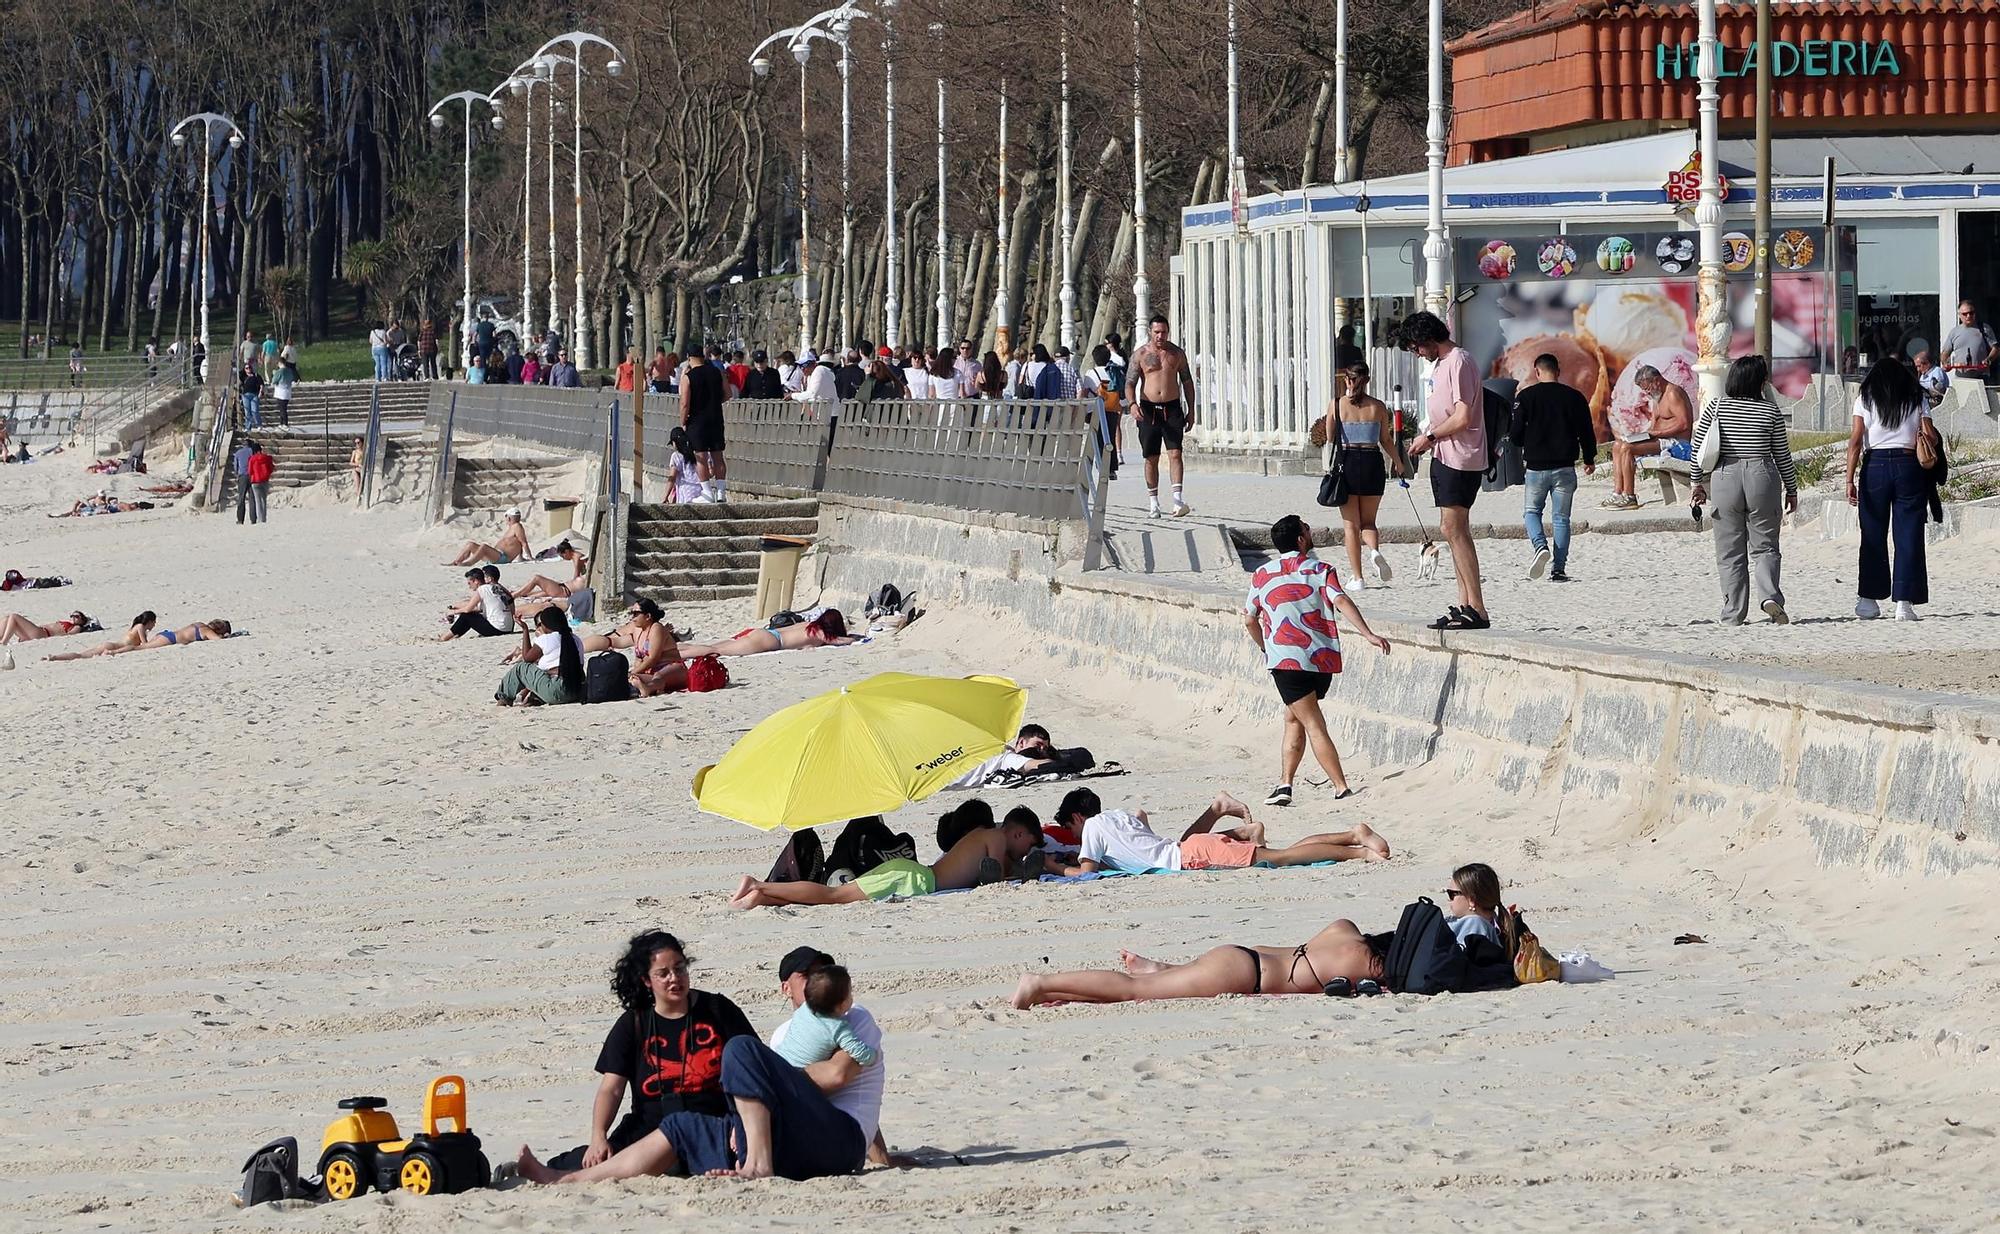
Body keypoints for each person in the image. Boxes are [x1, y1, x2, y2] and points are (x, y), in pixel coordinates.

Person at [518, 945, 887, 1185]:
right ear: (786, 987)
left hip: (834, 1141)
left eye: (825, 974)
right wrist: (749, 1113)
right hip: (785, 1140)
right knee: (679, 1127)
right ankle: (566, 1181)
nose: (818, 984)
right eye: (807, 976)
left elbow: (839, 1078)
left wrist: (879, 1156)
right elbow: (611, 1086)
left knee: (742, 1049)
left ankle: (757, 1165)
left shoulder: (855, 1018)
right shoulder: (783, 1038)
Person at [537, 930, 759, 1172]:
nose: (675, 978)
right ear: (646, 980)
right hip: (649, 1128)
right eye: (663, 974)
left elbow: (753, 1070)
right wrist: (598, 1136)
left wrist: (742, 1122)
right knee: (592, 1164)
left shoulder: (718, 1010)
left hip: (712, 1124)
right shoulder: (633, 1024)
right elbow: (611, 1089)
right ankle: (529, 1170)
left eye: (680, 968)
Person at [1246, 515, 1394, 807]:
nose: (1308, 530)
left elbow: (1249, 618)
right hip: (1320, 660)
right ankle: (1285, 784)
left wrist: (1267, 648)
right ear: (1301, 540)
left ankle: (1341, 786)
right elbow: (1341, 601)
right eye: (1305, 528)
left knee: (1312, 722)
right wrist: (1368, 634)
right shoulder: (1321, 569)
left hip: (1286, 661)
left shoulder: (1262, 574)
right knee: (1294, 717)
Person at [1012, 912, 1394, 1008]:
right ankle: (1040, 982)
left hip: (1239, 955)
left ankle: (1051, 992)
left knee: (1147, 986)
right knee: (1133, 991)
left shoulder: (1346, 929)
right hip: (1244, 975)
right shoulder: (1370, 968)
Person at [1044, 787, 1390, 877]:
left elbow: (1086, 874)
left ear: (1077, 817)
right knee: (1279, 855)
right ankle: (1351, 835)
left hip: (1193, 856)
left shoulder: (1091, 827)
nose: (1075, 836)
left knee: (1283, 858)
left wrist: (1054, 866)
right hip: (1191, 849)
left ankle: (1357, 848)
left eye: (1071, 828)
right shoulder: (1118, 817)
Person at [728, 810, 1047, 908]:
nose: (1024, 853)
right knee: (834, 896)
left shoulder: (982, 834)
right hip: (914, 879)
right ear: (1018, 834)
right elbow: (996, 878)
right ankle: (760, 885)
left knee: (834, 896)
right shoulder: (994, 837)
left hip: (910, 873)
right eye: (1028, 846)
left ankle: (761, 896)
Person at [1689, 354, 1799, 626]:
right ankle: (1770, 596)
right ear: (1759, 382)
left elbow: (1698, 449)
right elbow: (1782, 455)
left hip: (1725, 476)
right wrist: (1792, 489)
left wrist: (1696, 483)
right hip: (1762, 474)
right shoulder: (1770, 411)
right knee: (1765, 546)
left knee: (1729, 550)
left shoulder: (1716, 407)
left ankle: (1733, 613)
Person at [1401, 310, 1490, 630]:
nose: (1417, 353)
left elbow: (1463, 416)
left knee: (1455, 529)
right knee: (1449, 529)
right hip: (1443, 454)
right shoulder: (1440, 366)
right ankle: (1465, 602)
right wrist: (1427, 437)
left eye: (1416, 347)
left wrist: (1430, 436)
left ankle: (1477, 607)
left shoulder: (1459, 361)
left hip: (1461, 455)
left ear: (1429, 338)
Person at [1846, 356, 1932, 621]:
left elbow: (1856, 441)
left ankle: (1868, 601)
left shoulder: (1866, 398)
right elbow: (1928, 435)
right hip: (1909, 466)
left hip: (1876, 467)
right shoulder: (1916, 396)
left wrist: (1849, 479)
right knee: (1908, 534)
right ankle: (1904, 603)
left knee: (1872, 534)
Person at [1510, 352, 1599, 581]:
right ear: (1558, 372)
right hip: (1565, 467)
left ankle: (1540, 546)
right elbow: (1586, 432)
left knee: (1531, 512)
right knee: (1561, 519)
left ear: (1537, 372)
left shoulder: (1526, 397)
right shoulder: (1575, 397)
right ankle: (1559, 569)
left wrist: (1523, 441)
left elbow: (1516, 434)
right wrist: (1589, 459)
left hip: (1537, 467)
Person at [1318, 363, 1400, 588]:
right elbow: (1385, 440)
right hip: (1373, 463)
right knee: (1369, 522)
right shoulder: (1379, 407)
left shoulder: (1337, 405)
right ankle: (1374, 551)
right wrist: (1400, 464)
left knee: (1351, 526)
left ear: (1347, 379)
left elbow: (1330, 437)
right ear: (1367, 380)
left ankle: (1358, 577)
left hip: (1349, 465)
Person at [1130, 313, 1196, 518]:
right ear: (1151, 332)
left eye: (1164, 332)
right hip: (1148, 408)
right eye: (1157, 332)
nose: (1161, 336)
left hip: (1172, 407)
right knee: (1151, 457)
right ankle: (1154, 503)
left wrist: (1191, 410)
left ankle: (1177, 500)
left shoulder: (1176, 354)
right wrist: (1132, 404)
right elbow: (1129, 382)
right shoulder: (1141, 354)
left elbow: (1187, 382)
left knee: (1175, 453)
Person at [1604, 364, 1693, 509]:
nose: (1646, 392)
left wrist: (1656, 434)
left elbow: (1684, 424)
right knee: (1617, 445)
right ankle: (1617, 493)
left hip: (1676, 443)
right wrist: (1642, 436)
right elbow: (1653, 425)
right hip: (1659, 440)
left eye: (1647, 388)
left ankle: (1630, 496)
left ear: (1656, 380)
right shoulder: (1656, 397)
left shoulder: (1673, 393)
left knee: (1627, 448)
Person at [773, 964, 878, 1072]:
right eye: (850, 993)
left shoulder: (803, 1009)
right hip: (796, 1077)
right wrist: (873, 1055)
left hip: (777, 1063)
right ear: (841, 1005)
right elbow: (860, 1053)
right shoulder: (838, 1028)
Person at [495, 607, 586, 705]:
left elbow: (527, 658)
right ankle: (535, 698)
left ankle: (503, 698)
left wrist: (525, 629)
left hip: (556, 691)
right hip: (576, 690)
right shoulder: (576, 639)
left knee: (520, 668)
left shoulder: (546, 639)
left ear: (546, 624)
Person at [676, 610, 854, 658]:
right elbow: (840, 641)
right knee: (715, 651)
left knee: (715, 646)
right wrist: (854, 638)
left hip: (765, 633)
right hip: (769, 641)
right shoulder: (821, 633)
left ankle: (676, 648)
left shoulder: (811, 625)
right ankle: (678, 654)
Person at [682, 348, 729, 502]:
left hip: (697, 420)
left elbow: (684, 403)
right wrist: (714, 403)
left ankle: (707, 492)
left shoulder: (688, 377)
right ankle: (721, 492)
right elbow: (728, 394)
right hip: (716, 417)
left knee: (700, 457)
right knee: (718, 456)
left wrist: (683, 421)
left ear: (689, 358)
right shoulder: (717, 372)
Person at [440, 567, 516, 639]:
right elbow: (477, 608)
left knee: (467, 616)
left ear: (476, 581)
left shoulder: (482, 589)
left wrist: (452, 612)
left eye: (469, 583)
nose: (469, 586)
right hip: (508, 628)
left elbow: (468, 609)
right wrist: (455, 607)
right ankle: (454, 635)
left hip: (498, 629)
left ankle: (444, 638)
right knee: (472, 616)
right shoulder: (496, 588)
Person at [1442, 862, 1504, 949]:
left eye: (1451, 894)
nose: (1449, 900)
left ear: (1471, 900)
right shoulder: (1497, 924)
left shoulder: (1474, 924)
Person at [45, 611, 156, 660]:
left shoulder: (136, 626)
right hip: (112, 647)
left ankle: (55, 657)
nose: (154, 625)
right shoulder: (141, 627)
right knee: (81, 656)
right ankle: (55, 658)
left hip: (111, 645)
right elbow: (145, 645)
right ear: (150, 621)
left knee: (81, 655)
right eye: (154, 622)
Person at [443, 508, 533, 565]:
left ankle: (469, 563)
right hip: (496, 555)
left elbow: (523, 542)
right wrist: (520, 557)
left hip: (503, 558)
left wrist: (530, 557)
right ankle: (456, 562)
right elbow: (518, 544)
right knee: (470, 544)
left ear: (508, 518)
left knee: (484, 546)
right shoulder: (512, 528)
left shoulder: (517, 526)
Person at [1087, 344, 1124, 477]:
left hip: (1096, 410)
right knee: (1110, 437)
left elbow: (1086, 392)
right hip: (1112, 408)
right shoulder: (1113, 371)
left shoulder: (1091, 373)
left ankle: (1101, 465)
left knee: (1098, 438)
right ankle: (1112, 468)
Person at [1944, 299, 1997, 381]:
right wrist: (1946, 363)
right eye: (1965, 314)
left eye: (1971, 313)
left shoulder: (1984, 328)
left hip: (1982, 376)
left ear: (1975, 313)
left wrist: (1988, 359)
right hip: (1961, 377)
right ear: (1959, 315)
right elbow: (1945, 353)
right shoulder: (1954, 332)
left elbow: (1996, 348)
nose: (1968, 316)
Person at [109, 618, 232, 652]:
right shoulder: (206, 630)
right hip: (171, 639)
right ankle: (113, 652)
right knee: (140, 648)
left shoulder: (199, 624)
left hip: (167, 634)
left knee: (143, 646)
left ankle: (114, 649)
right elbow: (217, 640)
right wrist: (227, 636)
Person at [664, 426, 706, 503]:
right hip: (701, 491)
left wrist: (665, 496)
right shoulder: (697, 453)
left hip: (686, 493)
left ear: (675, 443)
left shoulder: (676, 456)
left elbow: (672, 477)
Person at [0, 610, 96, 643]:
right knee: (7, 618)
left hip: (42, 633)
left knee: (14, 616)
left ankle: (4, 641)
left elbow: (69, 635)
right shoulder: (70, 624)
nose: (73, 618)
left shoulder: (77, 627)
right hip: (36, 632)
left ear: (82, 620)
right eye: (72, 616)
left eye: (76, 616)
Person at [244, 442, 275, 525]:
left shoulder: (252, 459)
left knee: (258, 501)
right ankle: (264, 518)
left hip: (255, 481)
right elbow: (271, 468)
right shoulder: (267, 458)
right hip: (264, 480)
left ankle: (260, 518)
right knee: (263, 500)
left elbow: (250, 471)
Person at [270, 354, 296, 426]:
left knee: (282, 409)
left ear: (279, 363)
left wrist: (274, 374)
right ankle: (281, 423)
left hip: (280, 392)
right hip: (287, 392)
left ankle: (285, 423)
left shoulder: (279, 371)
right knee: (284, 408)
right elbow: (292, 379)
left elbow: (274, 381)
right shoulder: (290, 371)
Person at [237, 360, 264, 429]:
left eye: (249, 367)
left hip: (254, 394)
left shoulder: (256, 375)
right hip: (245, 395)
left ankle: (259, 424)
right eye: (246, 368)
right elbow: (238, 373)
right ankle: (248, 427)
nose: (248, 369)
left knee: (254, 410)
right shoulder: (243, 376)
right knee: (247, 412)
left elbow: (261, 384)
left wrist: (260, 392)